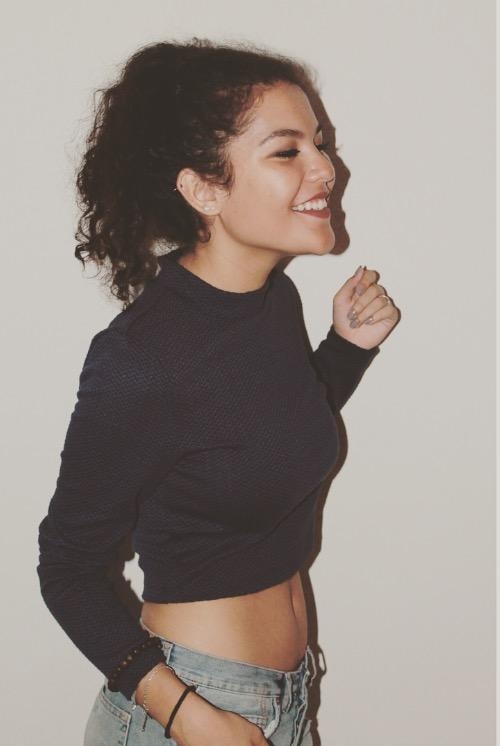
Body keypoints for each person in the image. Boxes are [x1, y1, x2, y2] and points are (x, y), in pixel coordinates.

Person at [37, 38, 399, 746]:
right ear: (204, 190)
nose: (326, 168)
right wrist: (192, 718)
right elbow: (67, 569)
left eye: (320, 144)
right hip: (192, 710)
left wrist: (345, 352)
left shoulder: (273, 301)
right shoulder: (142, 358)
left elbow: (259, 436)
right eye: (287, 150)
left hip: (283, 702)